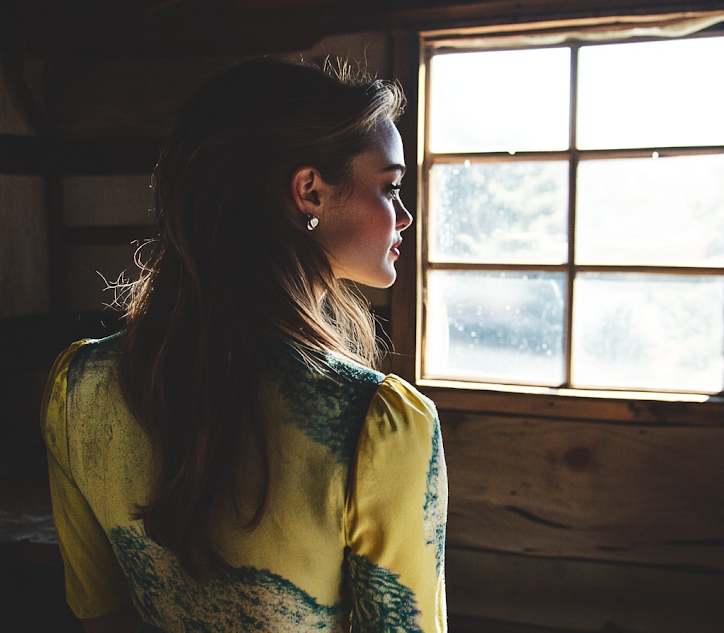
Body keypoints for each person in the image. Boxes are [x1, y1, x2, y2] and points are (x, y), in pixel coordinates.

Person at [42, 59, 447, 633]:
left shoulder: (76, 386)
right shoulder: (374, 425)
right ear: (309, 190)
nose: (404, 217)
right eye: (390, 187)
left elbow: (99, 615)